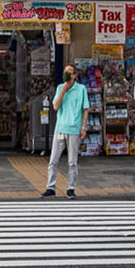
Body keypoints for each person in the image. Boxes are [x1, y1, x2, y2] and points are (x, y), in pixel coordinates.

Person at [45, 64, 95, 198]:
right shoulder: (60, 87)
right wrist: (63, 91)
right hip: (60, 128)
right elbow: (55, 106)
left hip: (74, 129)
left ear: (74, 75)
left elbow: (85, 109)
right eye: (64, 72)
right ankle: (50, 187)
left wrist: (84, 127)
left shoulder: (81, 89)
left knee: (72, 161)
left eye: (69, 72)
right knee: (53, 160)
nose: (66, 74)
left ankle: (71, 188)